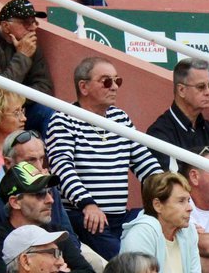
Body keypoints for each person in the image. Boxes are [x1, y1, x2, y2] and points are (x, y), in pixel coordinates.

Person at [46, 56, 162, 259]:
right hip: (85, 215)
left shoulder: (120, 118)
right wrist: (87, 204)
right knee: (127, 263)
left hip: (120, 217)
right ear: (84, 87)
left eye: (118, 81)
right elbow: (62, 169)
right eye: (107, 81)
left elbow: (145, 163)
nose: (115, 87)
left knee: (163, 219)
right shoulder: (63, 119)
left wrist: (168, 194)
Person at [0, 159, 94, 273]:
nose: (50, 200)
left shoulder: (56, 232)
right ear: (15, 202)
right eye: (40, 193)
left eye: (49, 192)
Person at [120, 171, 205, 273]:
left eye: (188, 200)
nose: (190, 208)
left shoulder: (188, 232)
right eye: (181, 201)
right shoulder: (142, 233)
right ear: (158, 205)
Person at [0, 0, 54, 129]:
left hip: (25, 108)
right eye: (26, 23)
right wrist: (22, 56)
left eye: (34, 22)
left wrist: (18, 102)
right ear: (6, 26)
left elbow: (45, 87)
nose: (33, 28)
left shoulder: (32, 46)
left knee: (50, 113)